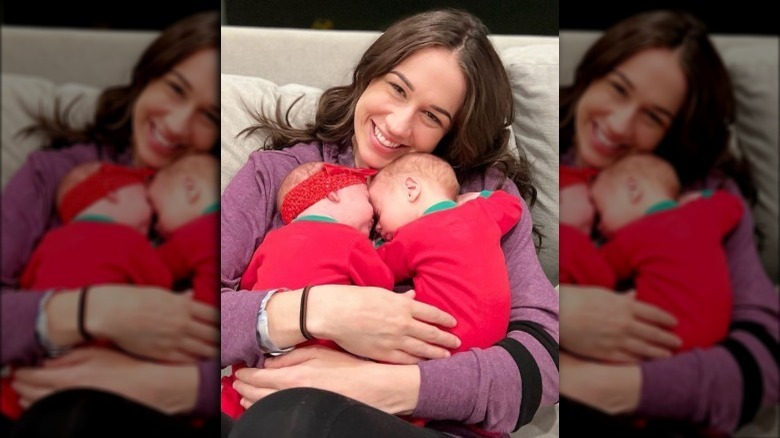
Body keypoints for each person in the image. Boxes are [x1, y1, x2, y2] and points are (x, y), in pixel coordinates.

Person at [221, 8, 558, 438]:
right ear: (370, 75)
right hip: (256, 408)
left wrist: (388, 386)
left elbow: (545, 355)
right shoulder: (277, 174)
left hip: (418, 425)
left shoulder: (477, 198)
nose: (398, 124)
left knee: (298, 419)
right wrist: (318, 311)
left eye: (432, 116)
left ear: (452, 132)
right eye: (397, 89)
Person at [558, 9, 778, 437]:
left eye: (653, 116)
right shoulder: (532, 155)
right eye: (618, 88)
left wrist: (604, 385)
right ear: (592, 75)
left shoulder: (702, 197)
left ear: (675, 133)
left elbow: (764, 359)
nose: (620, 125)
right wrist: (560, 310)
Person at [1, 11, 220, 438]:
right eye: (175, 89)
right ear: (146, 79)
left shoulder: (215, 195)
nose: (176, 125)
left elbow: (253, 331)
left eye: (209, 116)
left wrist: (180, 386)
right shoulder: (55, 173)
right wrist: (93, 311)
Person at [221, 161, 393, 420]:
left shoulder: (271, 241)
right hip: (315, 376)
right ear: (334, 193)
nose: (374, 217)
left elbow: (249, 290)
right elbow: (382, 288)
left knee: (232, 398)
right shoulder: (353, 241)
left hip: (255, 370)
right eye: (366, 198)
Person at [1, 161, 170, 420]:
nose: (154, 217)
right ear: (113, 192)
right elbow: (161, 291)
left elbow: (28, 292)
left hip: (29, 377)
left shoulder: (47, 242)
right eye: (147, 198)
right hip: (95, 379)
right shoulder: (131, 243)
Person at [568, 153, 743, 352]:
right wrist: (699, 199)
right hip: (718, 337)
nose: (598, 227)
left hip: (659, 339)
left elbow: (596, 271)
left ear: (632, 190)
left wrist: (573, 238)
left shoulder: (633, 236)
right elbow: (734, 205)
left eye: (600, 212)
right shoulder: (702, 212)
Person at [150, 153, 221, 307]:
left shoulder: (196, 232)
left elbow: (149, 267)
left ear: (190, 189)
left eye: (157, 213)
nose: (155, 227)